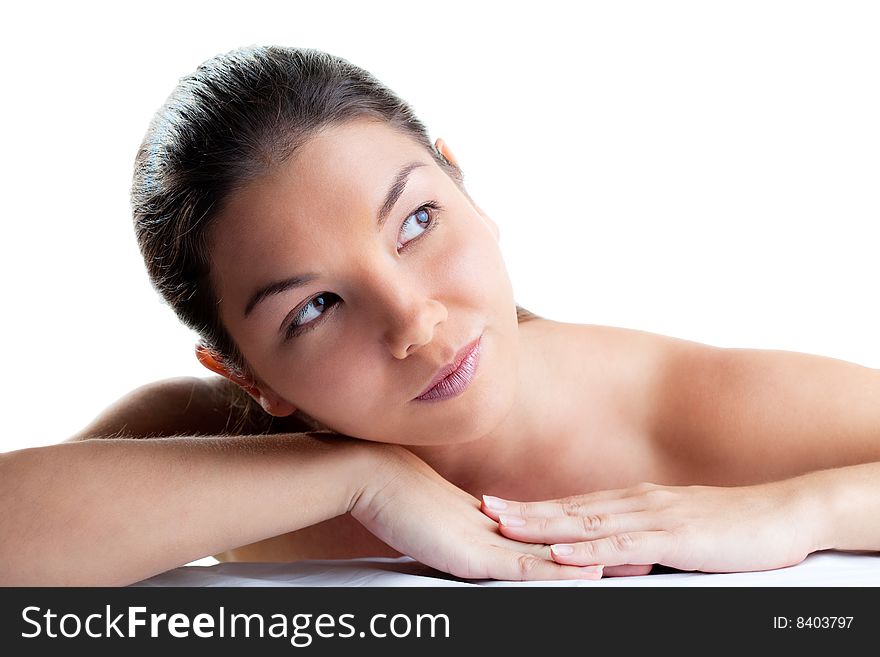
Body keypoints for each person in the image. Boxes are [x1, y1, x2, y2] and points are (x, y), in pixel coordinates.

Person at [2, 45, 878, 586]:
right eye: (313, 308)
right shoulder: (209, 454)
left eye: (416, 220)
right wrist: (356, 479)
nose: (413, 320)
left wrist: (800, 511)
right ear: (248, 378)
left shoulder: (681, 403)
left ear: (461, 184)